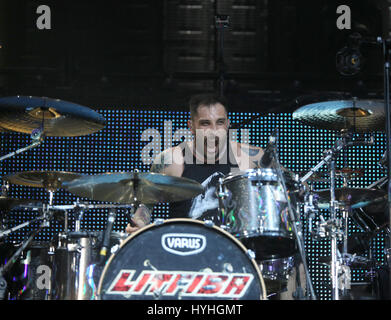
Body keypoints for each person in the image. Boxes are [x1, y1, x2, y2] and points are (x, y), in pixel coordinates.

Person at [126, 93, 266, 232]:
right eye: (205, 123)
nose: (214, 132)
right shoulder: (170, 160)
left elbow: (284, 190)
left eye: (220, 122)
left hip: (233, 247)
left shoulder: (252, 158)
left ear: (228, 124)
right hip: (183, 247)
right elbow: (146, 206)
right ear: (191, 126)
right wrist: (139, 221)